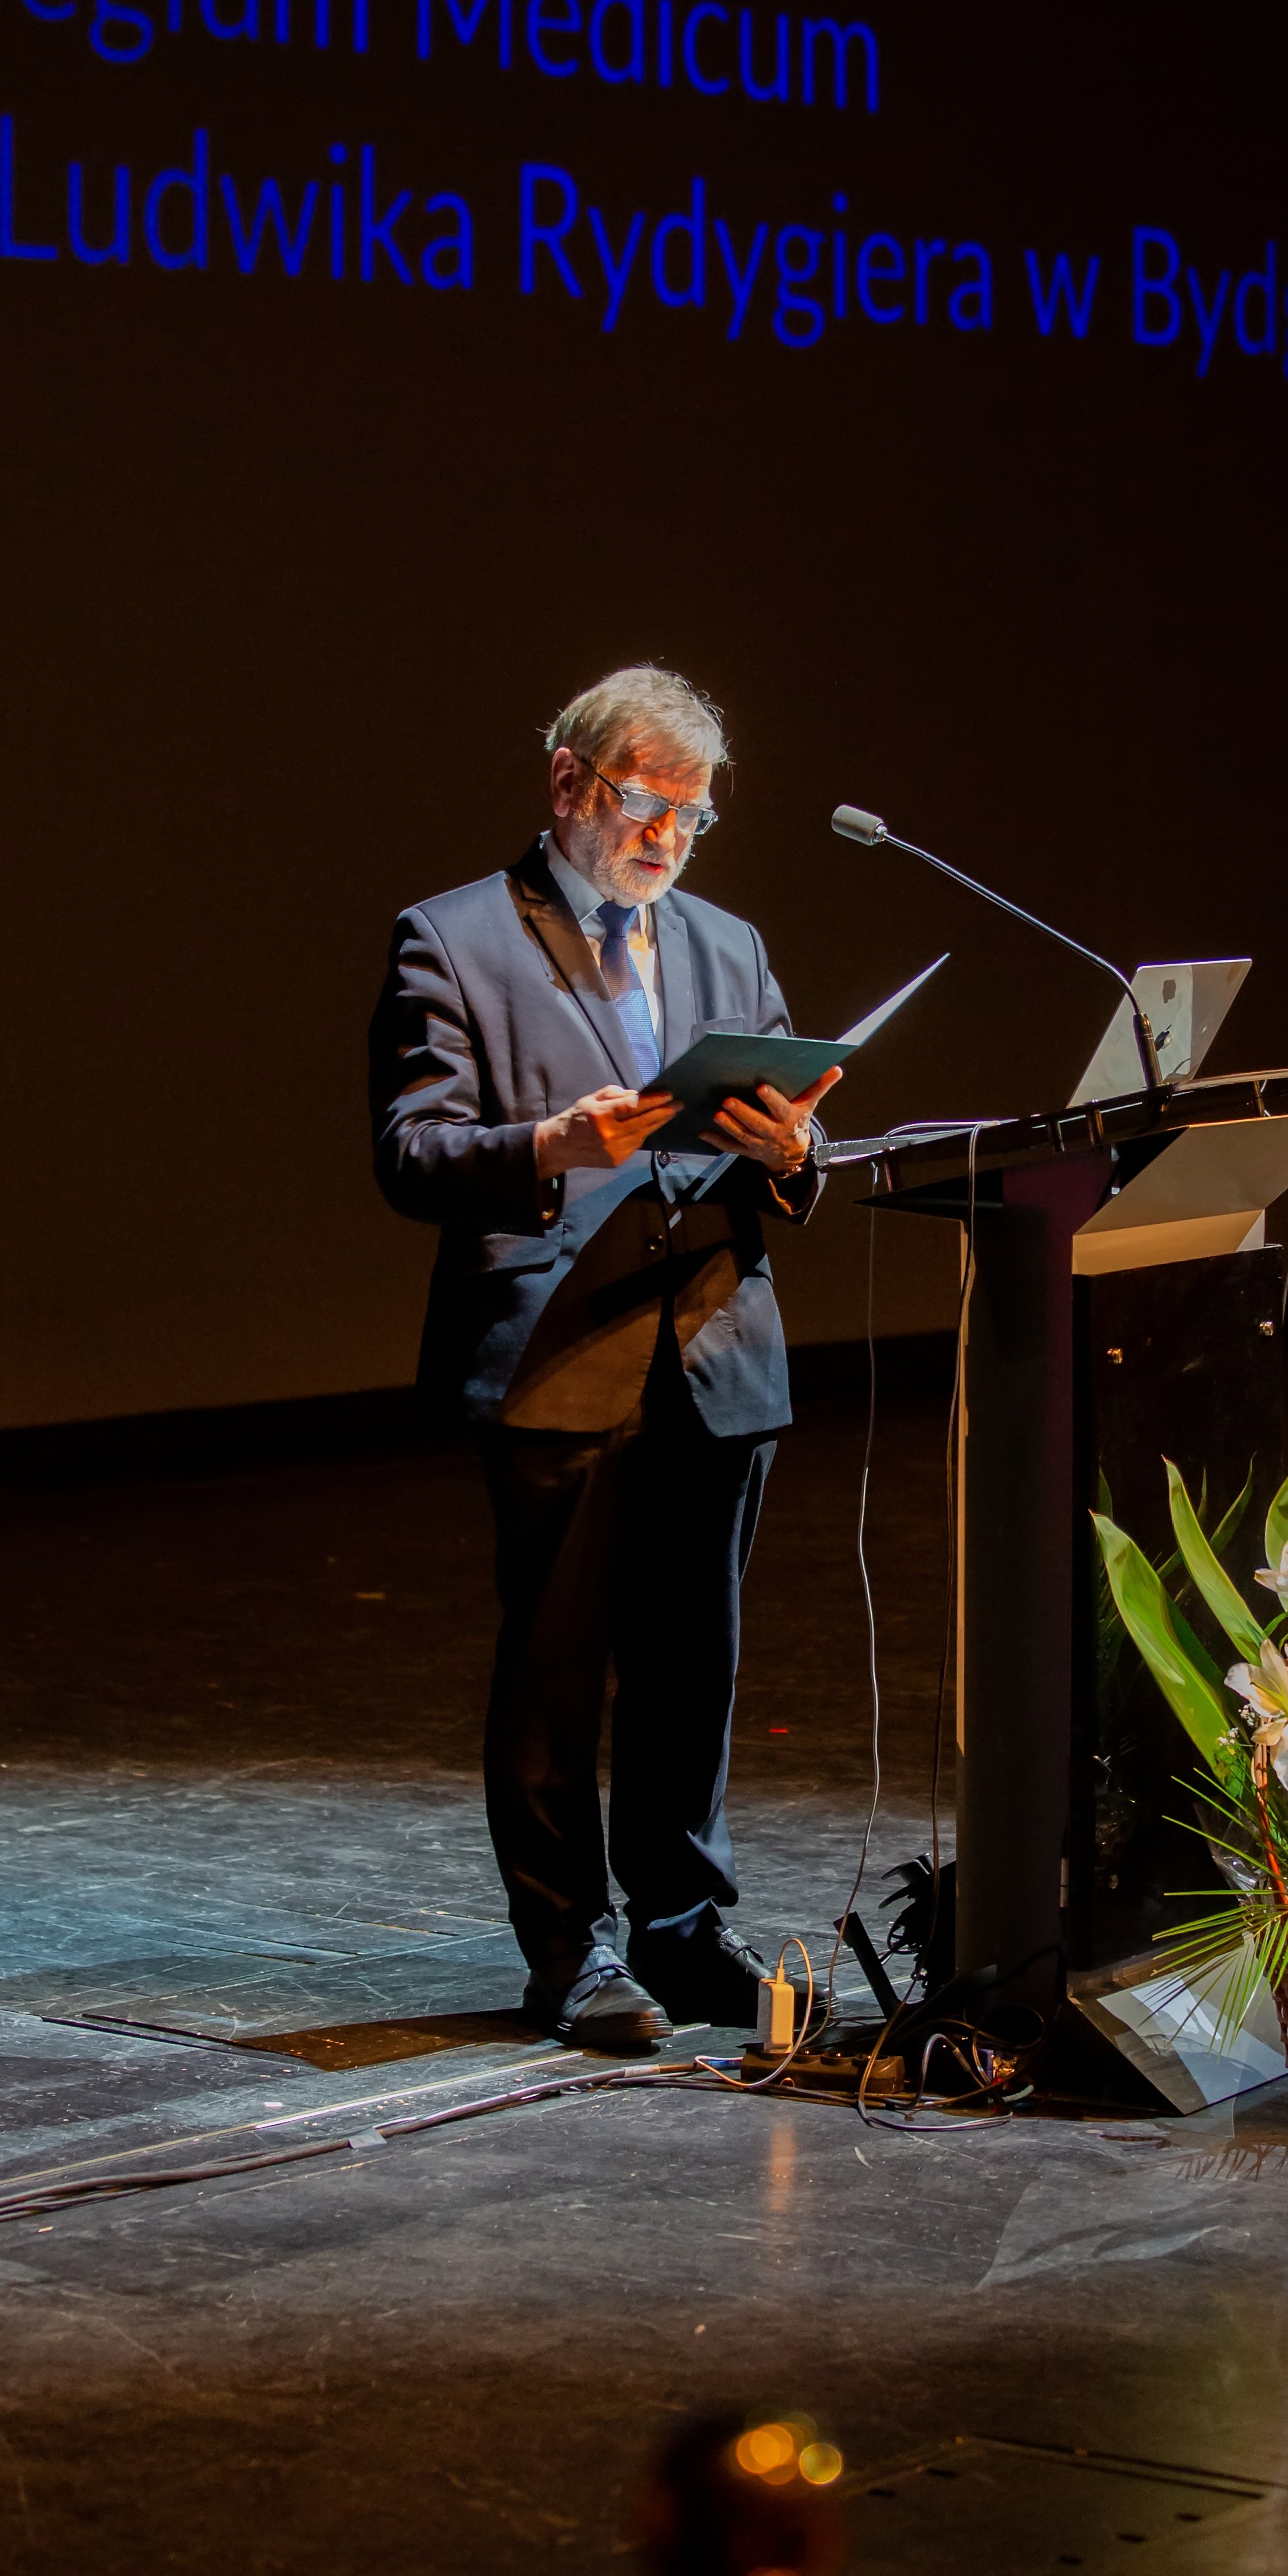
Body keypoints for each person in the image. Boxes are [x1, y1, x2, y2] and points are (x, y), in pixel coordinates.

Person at [369, 665, 839, 2048]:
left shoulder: (727, 942)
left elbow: (790, 1138)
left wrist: (794, 1151)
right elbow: (409, 1153)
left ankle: (685, 1930)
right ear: (570, 782)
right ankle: (571, 1951)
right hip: (557, 1351)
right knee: (558, 1672)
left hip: (716, 1344)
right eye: (645, 804)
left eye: (693, 816)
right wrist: (552, 1144)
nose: (668, 836)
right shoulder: (451, 937)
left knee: (695, 1663)